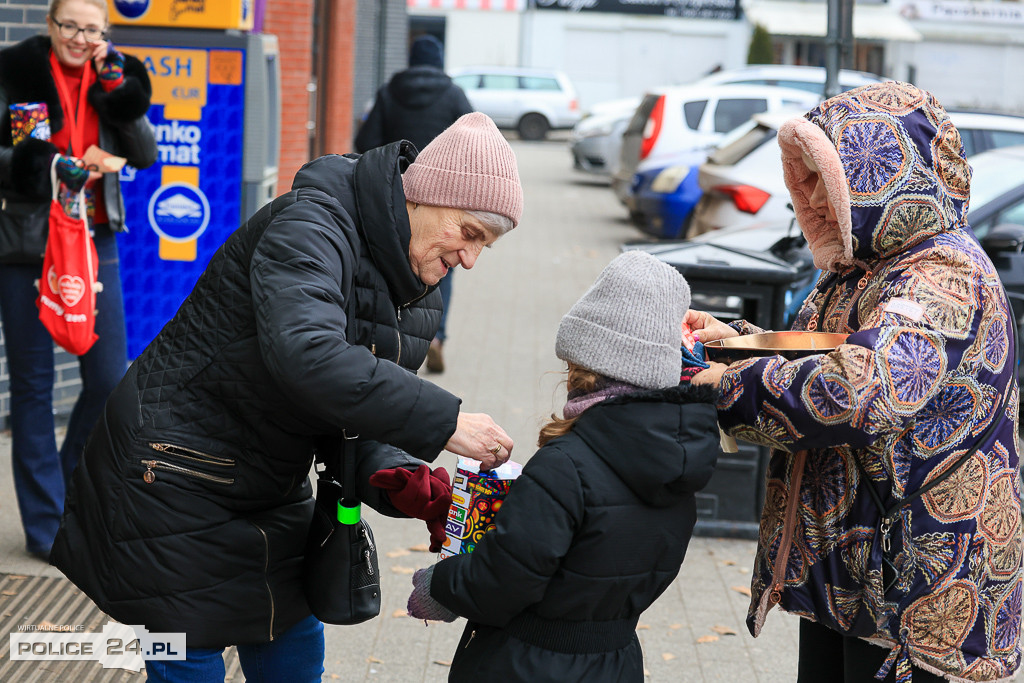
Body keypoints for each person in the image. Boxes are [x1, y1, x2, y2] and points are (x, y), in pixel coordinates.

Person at [49, 112, 523, 682]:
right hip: (173, 476)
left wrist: (412, 484)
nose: (469, 259)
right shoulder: (312, 224)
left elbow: (352, 409)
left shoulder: (418, 289)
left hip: (270, 481)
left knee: (295, 658)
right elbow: (309, 355)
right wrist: (445, 420)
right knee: (190, 666)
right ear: (424, 195)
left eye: (485, 247)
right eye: (469, 233)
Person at [688, 82, 1021, 682]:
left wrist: (718, 385)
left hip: (922, 597)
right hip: (853, 581)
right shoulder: (863, 267)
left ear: (881, 173)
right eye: (804, 178)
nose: (807, 199)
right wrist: (726, 342)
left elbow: (852, 391)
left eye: (825, 179)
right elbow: (823, 352)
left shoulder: (946, 274)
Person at [406, 250, 722, 682]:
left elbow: (503, 580)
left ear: (583, 362)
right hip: (616, 661)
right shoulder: (680, 464)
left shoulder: (566, 466)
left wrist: (439, 586)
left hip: (525, 663)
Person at [0, 0, 155, 561]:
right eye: (69, 25)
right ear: (50, 26)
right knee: (34, 386)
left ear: (106, 34)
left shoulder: (116, 76)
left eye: (92, 29)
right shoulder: (19, 71)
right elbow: (8, 155)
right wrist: (49, 167)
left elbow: (144, 153)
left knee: (110, 377)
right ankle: (45, 527)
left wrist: (120, 93)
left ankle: (70, 488)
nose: (79, 37)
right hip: (29, 242)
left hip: (93, 240)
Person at [355, 34, 474, 374]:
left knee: (392, 264)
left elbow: (365, 142)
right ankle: (434, 337)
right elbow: (474, 145)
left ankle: (391, 341)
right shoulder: (454, 95)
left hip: (393, 198)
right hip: (444, 201)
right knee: (442, 268)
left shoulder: (389, 92)